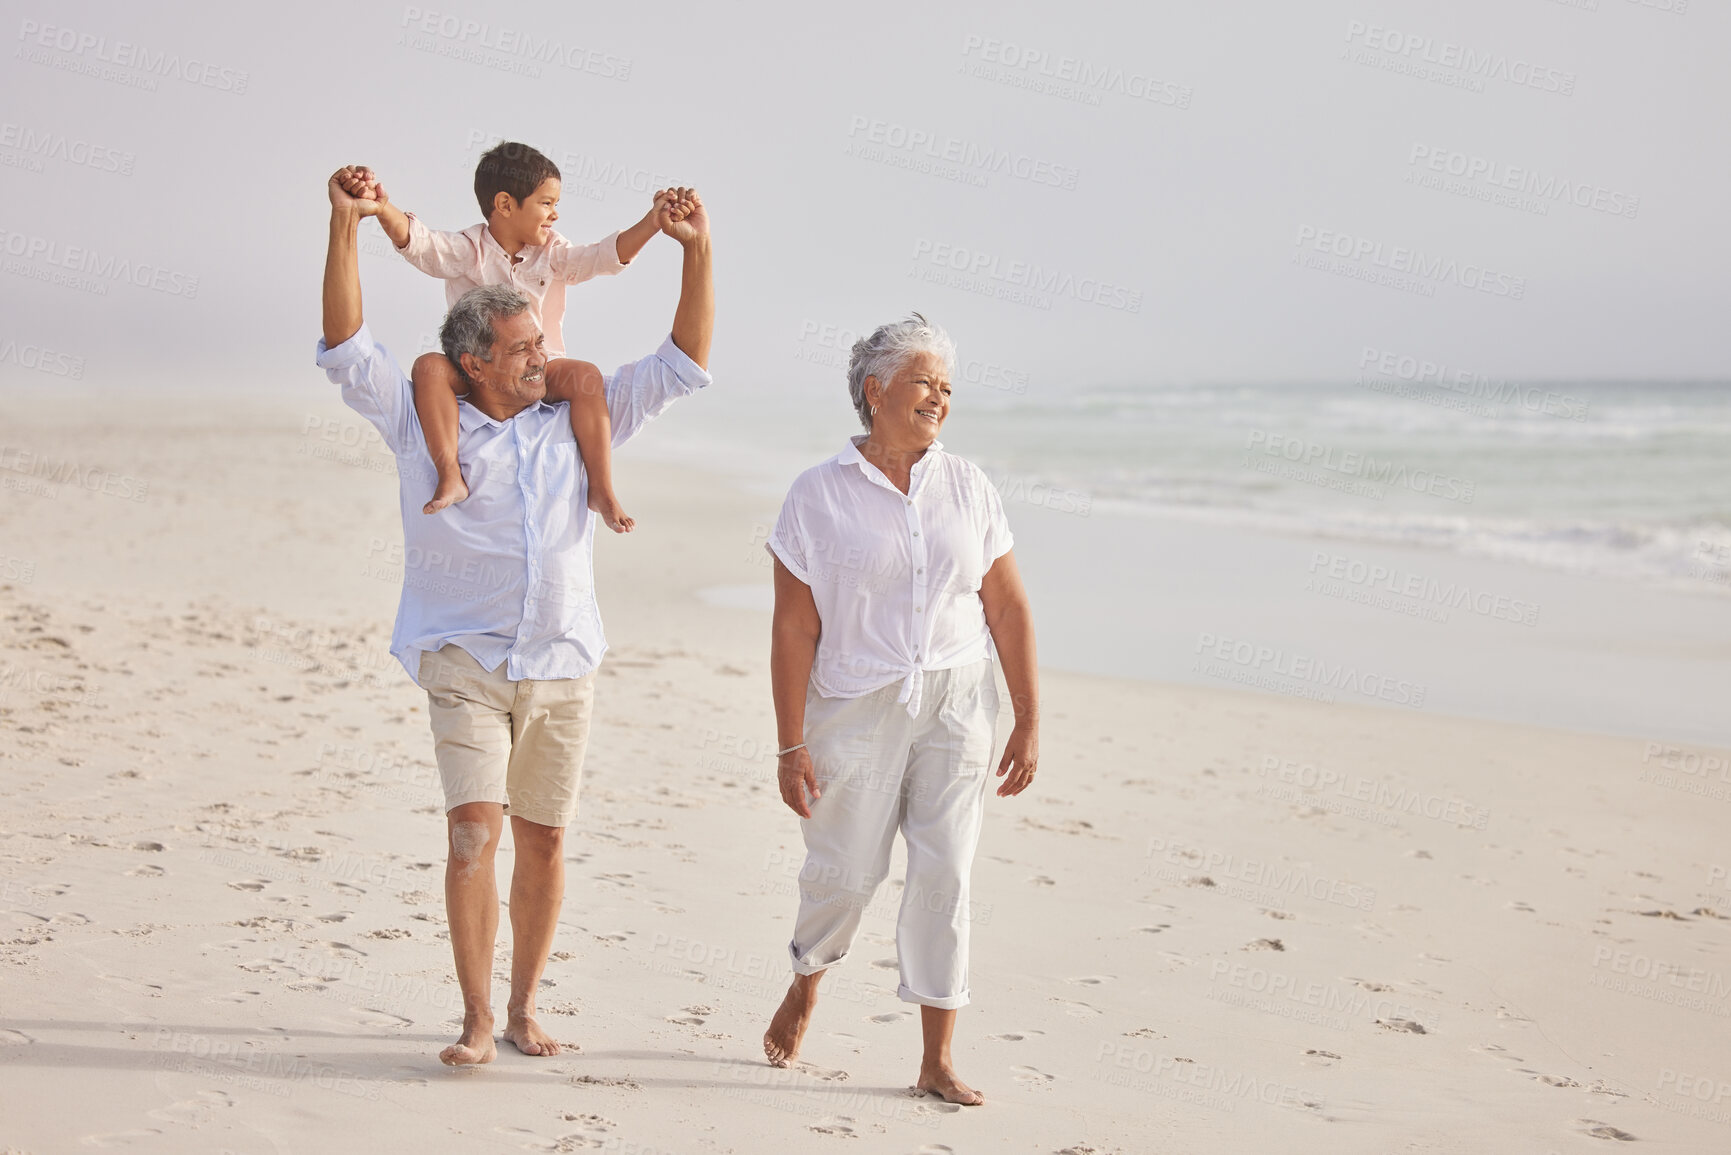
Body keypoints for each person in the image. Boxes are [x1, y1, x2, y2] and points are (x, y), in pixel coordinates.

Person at [316, 167, 714, 1066]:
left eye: (541, 340)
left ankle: (526, 1005)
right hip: (464, 658)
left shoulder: (579, 416)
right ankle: (474, 1017)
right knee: (471, 833)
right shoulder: (424, 423)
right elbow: (346, 347)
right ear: (474, 362)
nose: (545, 356)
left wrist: (697, 254)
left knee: (544, 840)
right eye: (524, 347)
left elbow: (681, 364)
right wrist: (345, 227)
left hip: (562, 662)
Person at [759, 314, 1040, 1106]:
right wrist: (789, 744)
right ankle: (809, 974)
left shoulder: (968, 485)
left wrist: (1026, 715)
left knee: (943, 873)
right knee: (846, 875)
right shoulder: (816, 494)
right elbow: (793, 626)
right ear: (874, 391)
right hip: (853, 705)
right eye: (925, 383)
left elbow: (1007, 606)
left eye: (947, 388)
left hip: (956, 703)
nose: (939, 399)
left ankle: (936, 1057)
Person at [335, 142, 689, 529]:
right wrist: (381, 206)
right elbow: (421, 245)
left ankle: (601, 487)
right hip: (474, 370)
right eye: (546, 203)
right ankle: (450, 472)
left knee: (585, 376)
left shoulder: (553, 252)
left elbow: (601, 257)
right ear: (505, 205)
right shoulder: (468, 250)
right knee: (429, 368)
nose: (555, 214)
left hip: (541, 367)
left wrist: (652, 223)